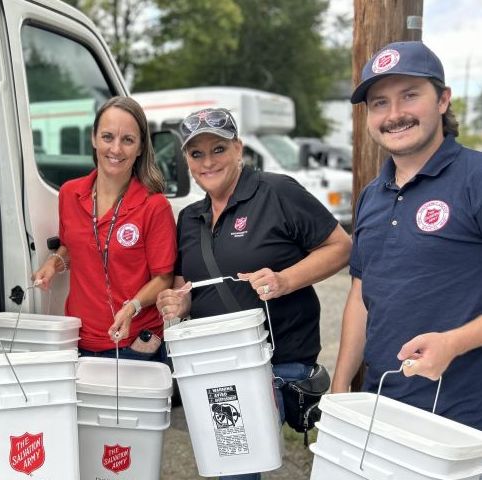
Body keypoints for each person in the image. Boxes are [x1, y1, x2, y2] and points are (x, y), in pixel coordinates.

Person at [155, 107, 351, 479]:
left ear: (239, 149)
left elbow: (341, 247)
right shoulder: (189, 218)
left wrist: (285, 280)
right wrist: (179, 302)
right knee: (229, 462)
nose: (207, 162)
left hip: (273, 364)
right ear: (186, 161)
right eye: (196, 154)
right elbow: (187, 287)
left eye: (218, 149)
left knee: (236, 466)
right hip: (213, 365)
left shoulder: (276, 192)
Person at [331, 41, 482, 430]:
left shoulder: (475, 178)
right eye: (379, 103)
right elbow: (361, 297)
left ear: (443, 100)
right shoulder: (371, 195)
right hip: (384, 406)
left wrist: (454, 343)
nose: (394, 115)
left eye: (409, 96)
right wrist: (341, 382)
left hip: (464, 418)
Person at [33, 96, 176, 361]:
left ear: (141, 147)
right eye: (108, 137)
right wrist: (53, 262)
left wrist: (132, 307)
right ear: (94, 138)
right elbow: (72, 246)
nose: (116, 149)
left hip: (135, 344)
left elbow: (164, 278)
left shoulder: (154, 206)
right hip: (78, 340)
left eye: (128, 140)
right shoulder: (69, 193)